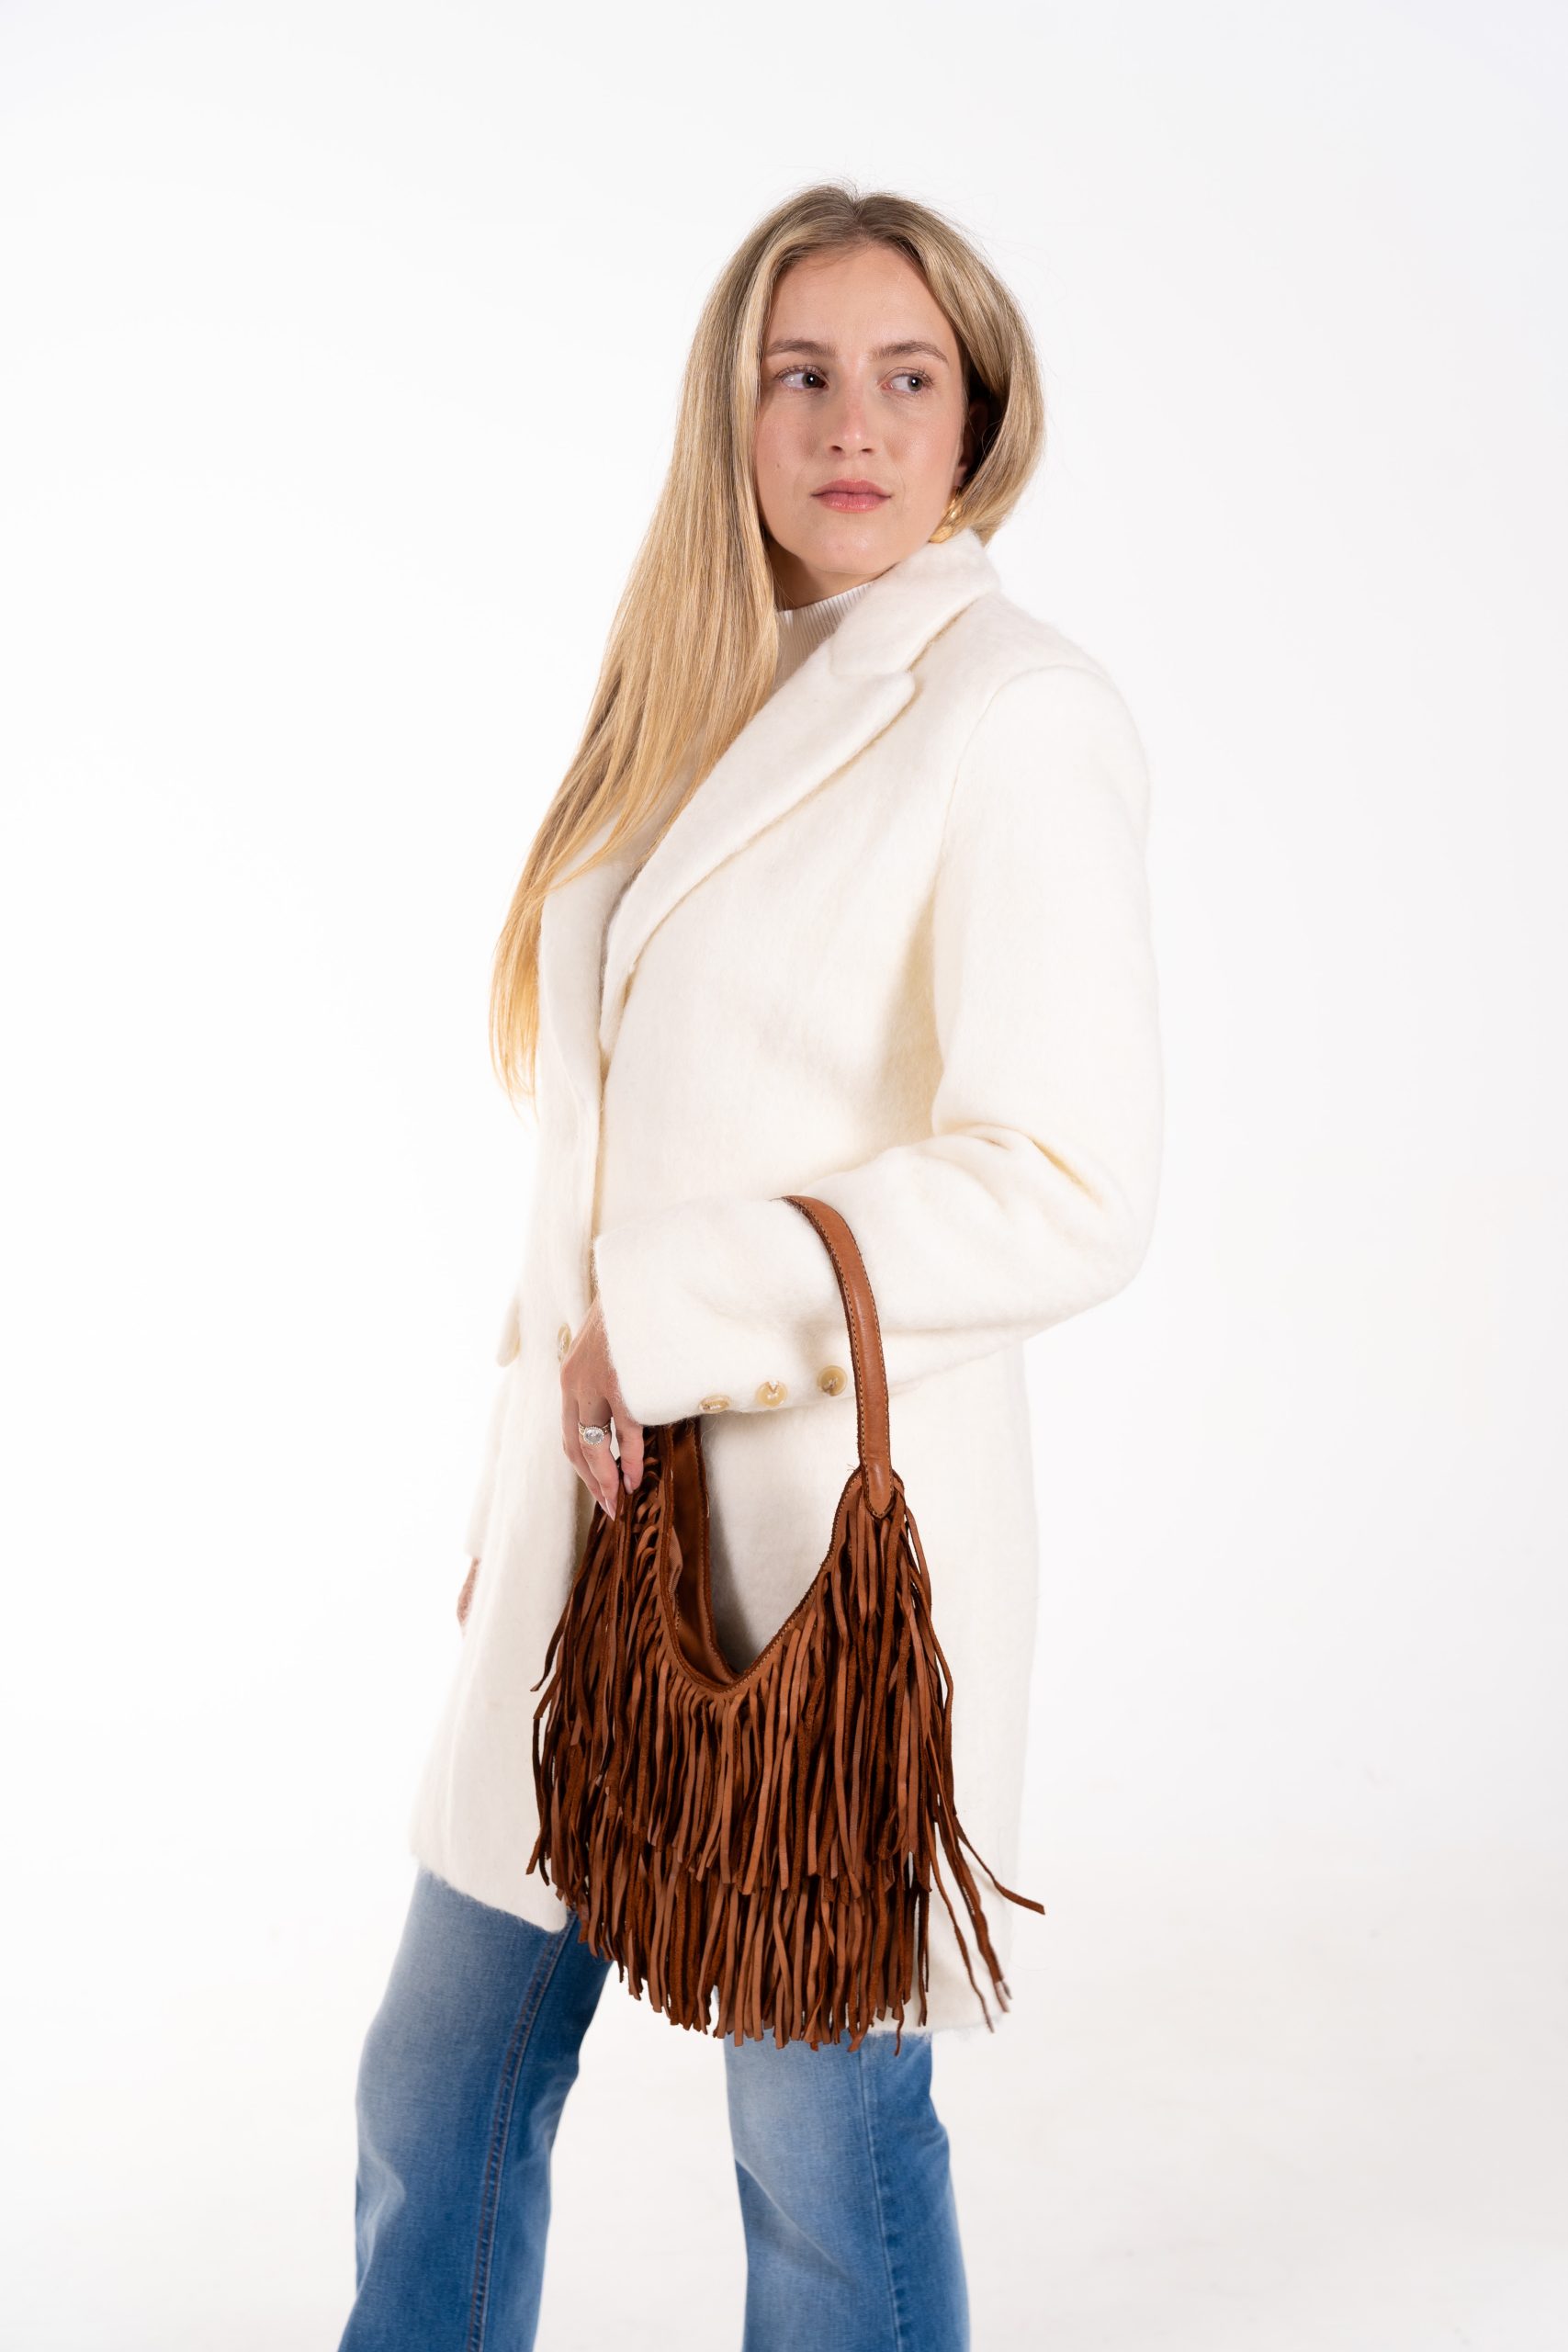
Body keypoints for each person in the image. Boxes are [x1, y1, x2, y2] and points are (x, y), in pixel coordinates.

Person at [337, 179, 1164, 2352]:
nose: (849, 425)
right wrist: (522, 1473)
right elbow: (603, 1131)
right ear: (732, 410)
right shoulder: (695, 679)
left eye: (903, 376)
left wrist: (673, 1319)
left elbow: (1070, 1178)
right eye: (799, 374)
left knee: (817, 2151)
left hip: (808, 1566)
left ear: (978, 416)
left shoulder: (1012, 710)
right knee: (437, 2074)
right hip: (589, 1534)